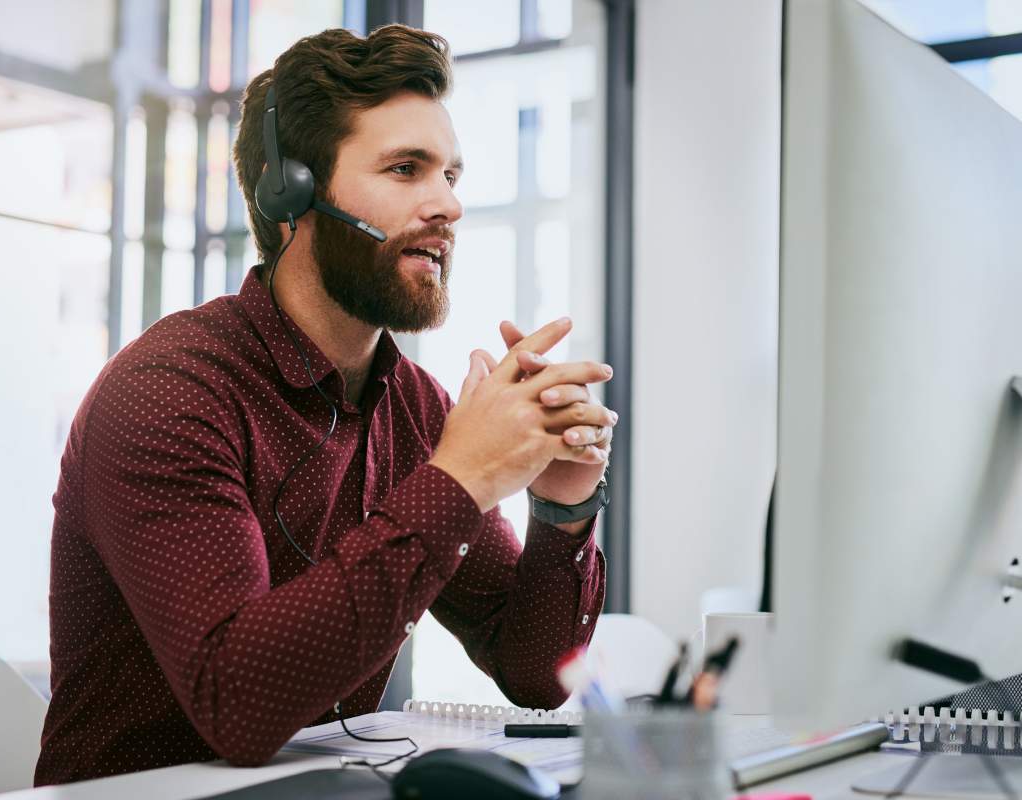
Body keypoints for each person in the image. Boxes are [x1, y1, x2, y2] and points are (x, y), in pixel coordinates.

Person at [35, 24, 613, 785]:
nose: (448, 206)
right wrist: (464, 477)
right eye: (406, 169)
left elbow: (536, 674)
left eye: (452, 175)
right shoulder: (169, 392)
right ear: (291, 192)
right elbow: (236, 702)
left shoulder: (413, 407)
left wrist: (561, 508)